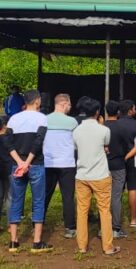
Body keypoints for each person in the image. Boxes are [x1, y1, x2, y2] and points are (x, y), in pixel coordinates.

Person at [72, 97, 120, 255]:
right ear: (98, 112)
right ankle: (108, 247)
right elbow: (106, 145)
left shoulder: (76, 131)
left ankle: (82, 246)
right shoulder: (104, 130)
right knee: (104, 211)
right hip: (100, 175)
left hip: (82, 175)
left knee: (82, 211)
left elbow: (76, 147)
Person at [6, 90, 51, 253]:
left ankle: (13, 241)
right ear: (37, 101)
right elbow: (39, 142)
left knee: (16, 200)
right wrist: (28, 162)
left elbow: (8, 143)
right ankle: (37, 242)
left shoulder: (13, 119)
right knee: (38, 201)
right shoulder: (42, 118)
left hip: (17, 165)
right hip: (36, 164)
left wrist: (20, 162)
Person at [44, 94, 79, 239]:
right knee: (68, 196)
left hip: (48, 163)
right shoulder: (72, 122)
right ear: (64, 104)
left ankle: (37, 223)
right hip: (67, 163)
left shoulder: (44, 120)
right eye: (69, 105)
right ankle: (70, 227)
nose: (70, 108)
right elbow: (76, 143)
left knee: (44, 194)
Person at [107, 99, 136, 235]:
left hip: (117, 160)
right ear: (130, 110)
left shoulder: (115, 124)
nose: (135, 110)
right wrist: (128, 156)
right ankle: (133, 219)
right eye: (134, 108)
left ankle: (113, 218)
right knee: (132, 188)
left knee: (116, 191)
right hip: (132, 159)